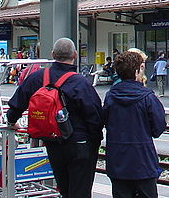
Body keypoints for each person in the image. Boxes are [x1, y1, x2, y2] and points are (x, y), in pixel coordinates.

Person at [6, 38, 104, 198]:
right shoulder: (80, 83)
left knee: (64, 189)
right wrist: (94, 141)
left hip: (53, 143)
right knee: (80, 192)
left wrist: (11, 122)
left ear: (53, 54)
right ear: (75, 55)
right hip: (79, 144)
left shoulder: (37, 77)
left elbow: (17, 104)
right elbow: (94, 116)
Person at [103, 50, 166, 197]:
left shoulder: (110, 97)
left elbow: (103, 120)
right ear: (137, 71)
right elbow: (158, 128)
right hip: (143, 162)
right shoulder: (148, 97)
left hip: (117, 163)